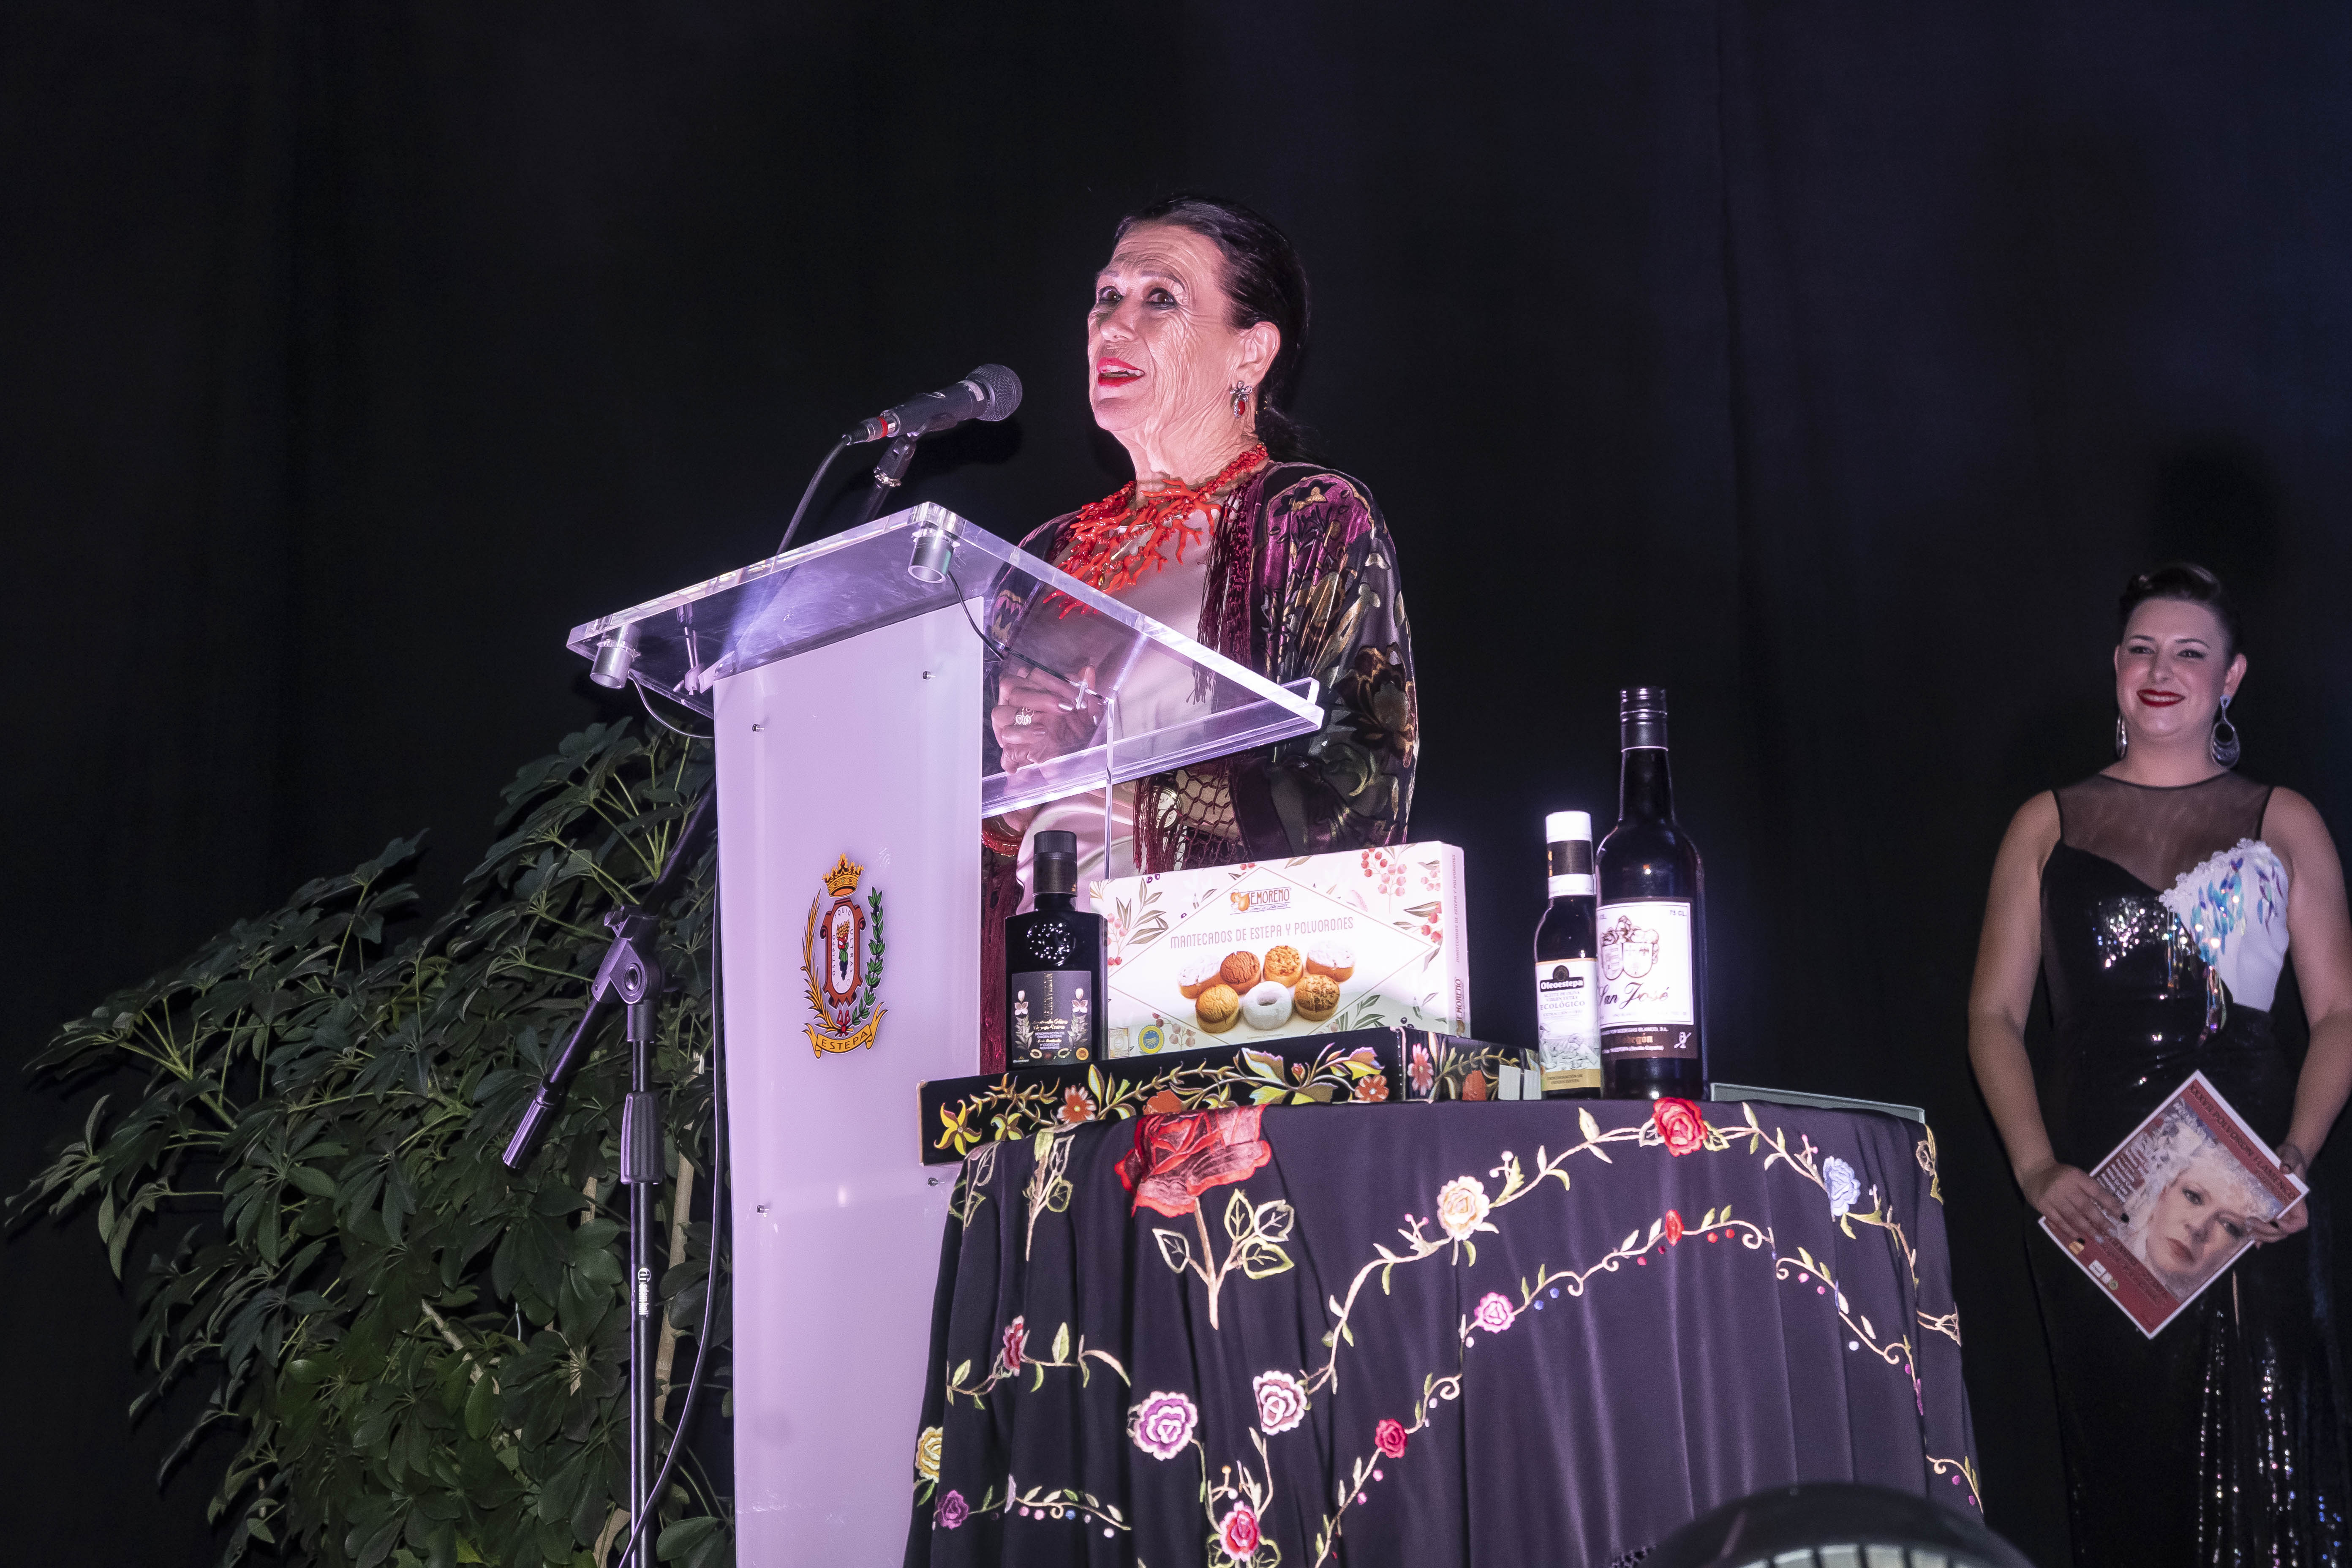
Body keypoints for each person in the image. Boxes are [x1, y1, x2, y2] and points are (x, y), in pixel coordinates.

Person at [1967, 563, 2352, 1564]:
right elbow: (1994, 1015)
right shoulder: (2045, 823)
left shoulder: (2284, 819)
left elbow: (2341, 1012)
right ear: (2115, 666)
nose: (2161, 670)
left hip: (2247, 1198)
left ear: (2231, 678)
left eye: (2189, 652)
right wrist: (2036, 1168)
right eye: (2142, 649)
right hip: (2097, 1202)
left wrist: (2294, 1157)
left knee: (2264, 1483)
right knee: (2129, 1484)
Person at [978, 196, 1417, 1065]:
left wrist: (1109, 769)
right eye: (1107, 297)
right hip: (1042, 1011)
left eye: (1161, 298)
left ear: (1251, 351)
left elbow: (1364, 795)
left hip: (1215, 1008)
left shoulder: (1307, 519)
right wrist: (1006, 805)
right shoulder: (1039, 559)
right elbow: (983, 825)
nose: (1114, 324)